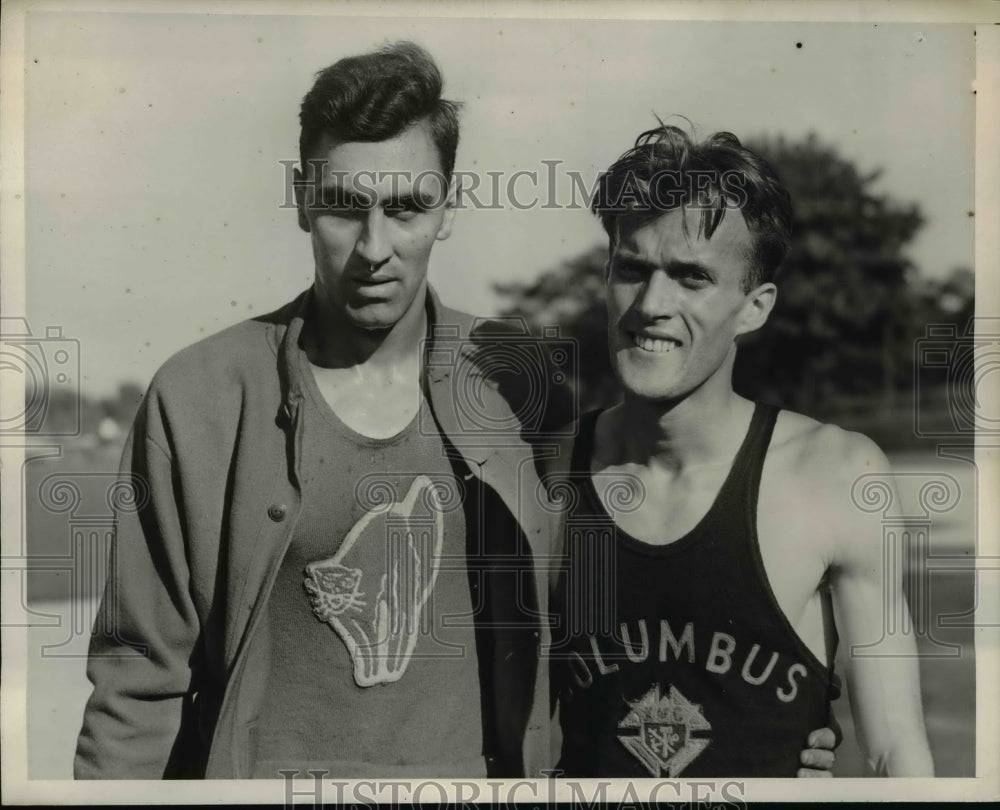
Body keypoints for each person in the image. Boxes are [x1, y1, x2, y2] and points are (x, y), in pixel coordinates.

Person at [74, 42, 835, 780]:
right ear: (304, 202)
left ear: (449, 210)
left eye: (407, 208)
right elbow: (137, 685)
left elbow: (622, 621)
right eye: (345, 207)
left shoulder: (525, 385)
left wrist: (782, 738)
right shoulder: (202, 396)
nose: (376, 246)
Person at [545, 124, 935, 777]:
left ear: (754, 308)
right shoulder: (544, 472)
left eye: (691, 277)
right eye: (631, 269)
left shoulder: (837, 476)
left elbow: (896, 750)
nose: (650, 305)